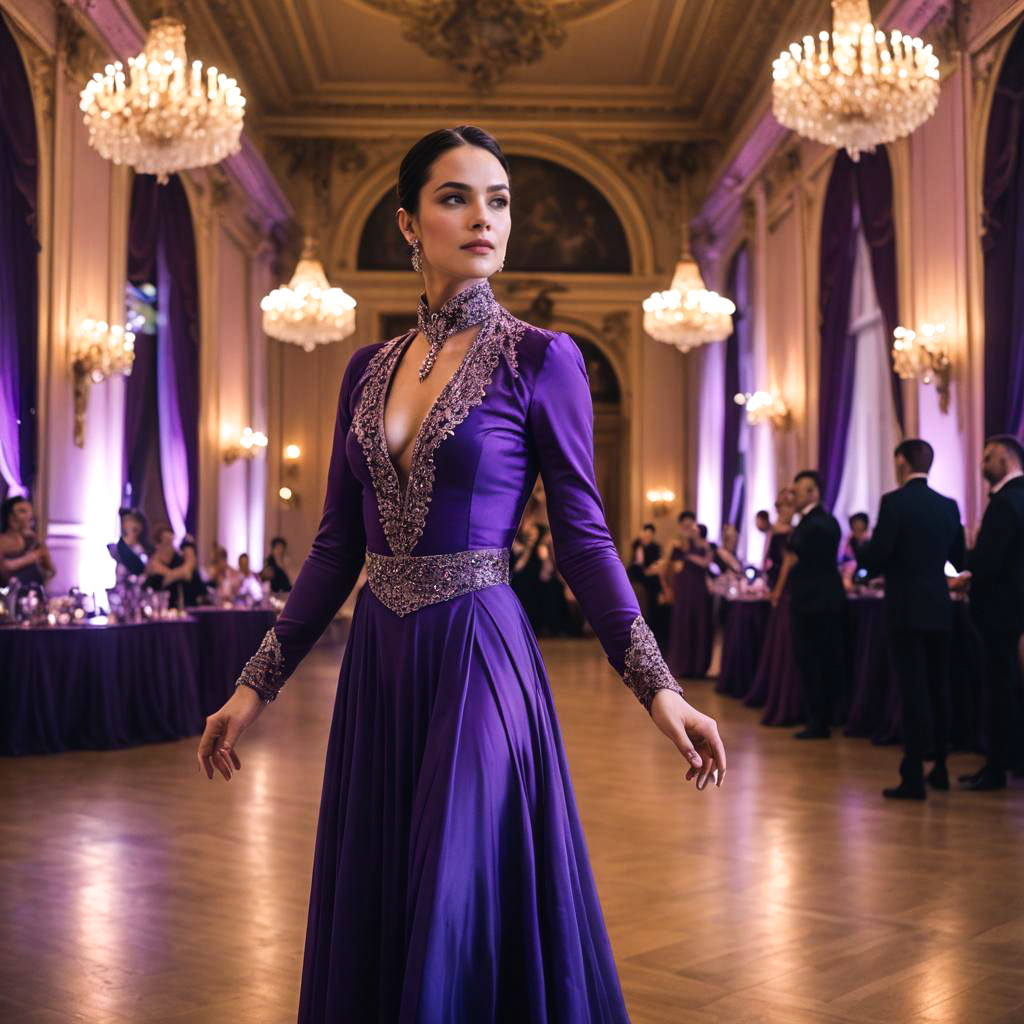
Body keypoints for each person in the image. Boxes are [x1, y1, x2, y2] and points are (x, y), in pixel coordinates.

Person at [196, 125, 726, 1024]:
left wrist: (660, 688)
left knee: (457, 892)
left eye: (500, 199)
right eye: (456, 197)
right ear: (408, 222)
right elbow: (335, 548)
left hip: (482, 651)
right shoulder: (364, 371)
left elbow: (586, 537)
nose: (484, 217)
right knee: (383, 884)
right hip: (379, 659)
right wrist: (252, 689)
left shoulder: (540, 358)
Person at [861, 440, 966, 800]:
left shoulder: (894, 503)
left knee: (912, 691)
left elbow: (877, 557)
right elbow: (958, 555)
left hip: (904, 608)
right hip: (939, 606)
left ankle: (913, 776)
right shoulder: (948, 506)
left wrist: (868, 563)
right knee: (939, 687)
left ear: (902, 461)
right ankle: (941, 767)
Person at [957, 435, 1024, 791]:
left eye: (988, 457)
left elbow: (990, 561)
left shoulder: (1004, 503)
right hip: (1017, 607)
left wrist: (968, 568)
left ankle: (996, 767)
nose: (983, 464)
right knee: (1013, 686)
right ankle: (1013, 759)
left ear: (1008, 460)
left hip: (999, 612)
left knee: (999, 687)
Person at [780, 471, 845, 739]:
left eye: (799, 491)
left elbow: (798, 548)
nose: (793, 496)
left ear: (813, 492)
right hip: (815, 601)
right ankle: (819, 717)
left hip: (815, 603)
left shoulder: (819, 522)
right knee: (815, 661)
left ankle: (820, 720)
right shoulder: (815, 521)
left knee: (814, 661)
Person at [666, 510, 714, 678]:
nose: (687, 526)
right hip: (684, 589)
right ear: (681, 525)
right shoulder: (676, 544)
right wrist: (669, 589)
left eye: (690, 523)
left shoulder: (702, 543)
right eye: (684, 523)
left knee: (699, 624)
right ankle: (683, 665)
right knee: (684, 624)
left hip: (699, 590)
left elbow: (708, 562)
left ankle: (699, 667)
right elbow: (670, 567)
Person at [0, 495, 55, 589]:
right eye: (22, 511)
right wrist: (30, 558)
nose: (29, 516)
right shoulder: (2, 541)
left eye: (30, 511)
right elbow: (3, 569)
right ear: (11, 517)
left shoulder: (33, 542)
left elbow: (50, 571)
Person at [144, 526, 196, 608]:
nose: (171, 547)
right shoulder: (152, 563)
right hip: (157, 608)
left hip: (178, 608)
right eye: (167, 544)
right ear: (158, 545)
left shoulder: (177, 559)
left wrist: (170, 576)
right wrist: (179, 574)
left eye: (172, 543)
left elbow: (188, 575)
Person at [109, 507, 149, 581]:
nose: (134, 524)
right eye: (130, 521)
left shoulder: (147, 548)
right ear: (123, 524)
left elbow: (143, 570)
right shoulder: (116, 548)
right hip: (122, 589)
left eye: (136, 521)